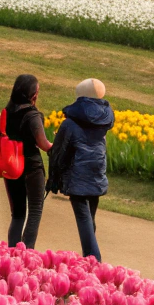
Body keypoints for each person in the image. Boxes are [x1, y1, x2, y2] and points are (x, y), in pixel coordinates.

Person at [50, 78, 113, 261]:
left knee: (84, 220)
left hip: (78, 175)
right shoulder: (103, 121)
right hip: (97, 173)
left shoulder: (70, 123)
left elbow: (59, 153)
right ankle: (89, 258)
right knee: (90, 219)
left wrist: (54, 179)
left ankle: (94, 260)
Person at [2, 74, 51, 249]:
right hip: (31, 166)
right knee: (35, 210)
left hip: (11, 166)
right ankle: (26, 251)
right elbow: (43, 144)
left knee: (17, 214)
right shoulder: (32, 114)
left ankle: (12, 251)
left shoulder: (7, 111)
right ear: (32, 94)